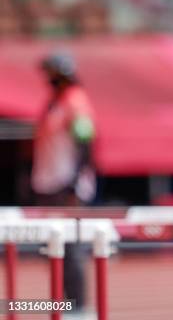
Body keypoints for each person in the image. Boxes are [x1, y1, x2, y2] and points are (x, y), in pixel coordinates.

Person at [32, 52, 97, 311]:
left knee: (70, 248)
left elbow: (85, 140)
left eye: (50, 73)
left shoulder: (75, 101)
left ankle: (78, 307)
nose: (46, 78)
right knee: (53, 247)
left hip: (67, 184)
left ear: (61, 74)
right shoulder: (54, 102)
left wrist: (75, 181)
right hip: (48, 183)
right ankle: (61, 304)